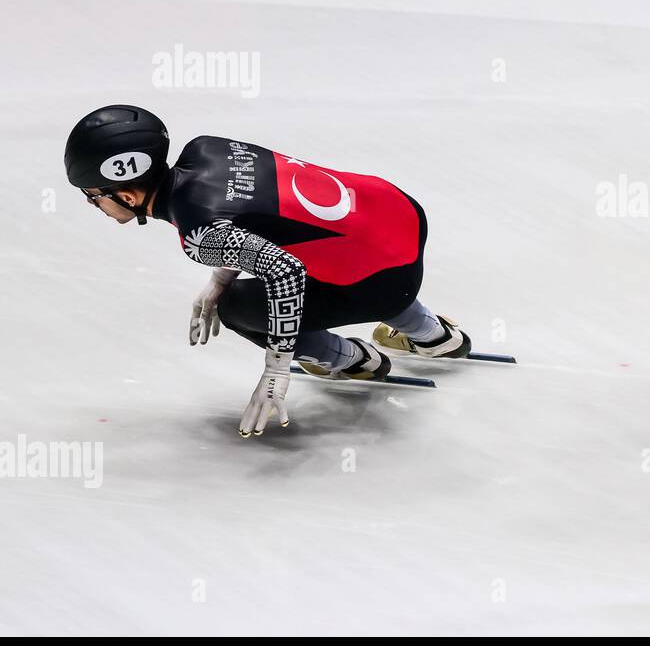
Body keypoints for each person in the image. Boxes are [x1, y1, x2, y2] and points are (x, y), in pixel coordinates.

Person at [64, 104, 469, 437]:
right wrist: (219, 276)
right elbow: (254, 209)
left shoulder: (200, 236)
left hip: (384, 282)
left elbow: (286, 272)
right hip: (397, 211)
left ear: (128, 194)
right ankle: (434, 335)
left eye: (92, 197)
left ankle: (354, 360)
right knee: (330, 248)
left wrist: (276, 371)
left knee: (235, 307)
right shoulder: (206, 147)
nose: (92, 205)